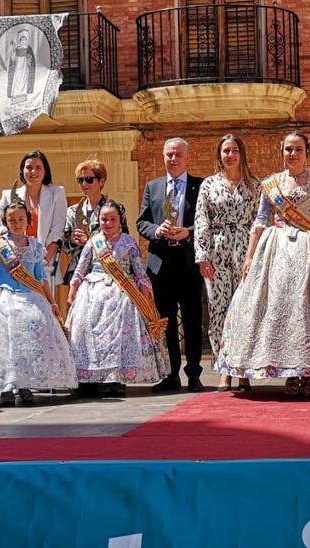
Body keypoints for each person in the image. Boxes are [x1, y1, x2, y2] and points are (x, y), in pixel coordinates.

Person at [214, 131, 310, 397]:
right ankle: (287, 373)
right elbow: (261, 220)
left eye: (298, 149)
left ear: (307, 152)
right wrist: (250, 257)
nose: (292, 155)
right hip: (276, 250)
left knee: (309, 311)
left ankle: (307, 373)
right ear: (281, 152)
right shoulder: (271, 183)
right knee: (280, 310)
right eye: (288, 150)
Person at [0, 199, 77, 406]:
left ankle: (24, 383)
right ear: (5, 222)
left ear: (28, 220)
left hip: (29, 297)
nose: (16, 223)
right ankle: (7, 386)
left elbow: (40, 278)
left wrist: (52, 302)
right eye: (11, 220)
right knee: (7, 341)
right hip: (4, 298)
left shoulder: (35, 247)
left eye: (20, 219)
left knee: (30, 339)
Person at [67, 201, 170, 395]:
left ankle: (115, 378)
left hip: (122, 291)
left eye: (112, 219)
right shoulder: (93, 242)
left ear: (120, 220)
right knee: (86, 333)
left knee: (118, 336)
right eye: (104, 219)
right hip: (92, 293)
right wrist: (73, 292)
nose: (107, 223)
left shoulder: (129, 242)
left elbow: (138, 271)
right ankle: (88, 378)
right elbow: (80, 271)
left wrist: (145, 293)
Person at [136, 138, 205, 392]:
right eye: (168, 155)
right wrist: (157, 230)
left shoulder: (200, 186)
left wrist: (187, 232)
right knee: (164, 322)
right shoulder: (152, 187)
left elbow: (207, 222)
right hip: (161, 265)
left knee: (192, 320)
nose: (172, 159)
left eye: (177, 155)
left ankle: (194, 374)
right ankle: (170, 374)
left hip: (188, 262)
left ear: (187, 157)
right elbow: (141, 222)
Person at [194, 134, 258, 393]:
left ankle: (243, 371)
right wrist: (203, 256)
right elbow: (201, 221)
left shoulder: (254, 185)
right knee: (219, 310)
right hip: (217, 253)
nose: (229, 155)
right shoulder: (209, 185)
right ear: (219, 155)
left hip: (245, 252)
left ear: (241, 154)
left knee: (244, 309)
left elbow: (260, 222)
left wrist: (258, 256)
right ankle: (224, 370)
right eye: (225, 151)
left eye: (234, 150)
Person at [0, 150, 66, 280]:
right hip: (14, 264)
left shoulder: (56, 193)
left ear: (45, 171)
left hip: (43, 263)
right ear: (22, 170)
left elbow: (57, 231)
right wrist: (14, 257)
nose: (33, 172)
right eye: (29, 167)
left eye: (38, 168)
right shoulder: (8, 195)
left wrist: (43, 262)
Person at [62, 159, 128, 287]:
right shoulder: (72, 211)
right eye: (80, 180)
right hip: (78, 274)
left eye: (89, 179)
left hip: (107, 272)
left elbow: (123, 241)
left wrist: (90, 240)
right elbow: (64, 246)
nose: (84, 184)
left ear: (101, 181)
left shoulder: (116, 210)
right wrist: (72, 240)